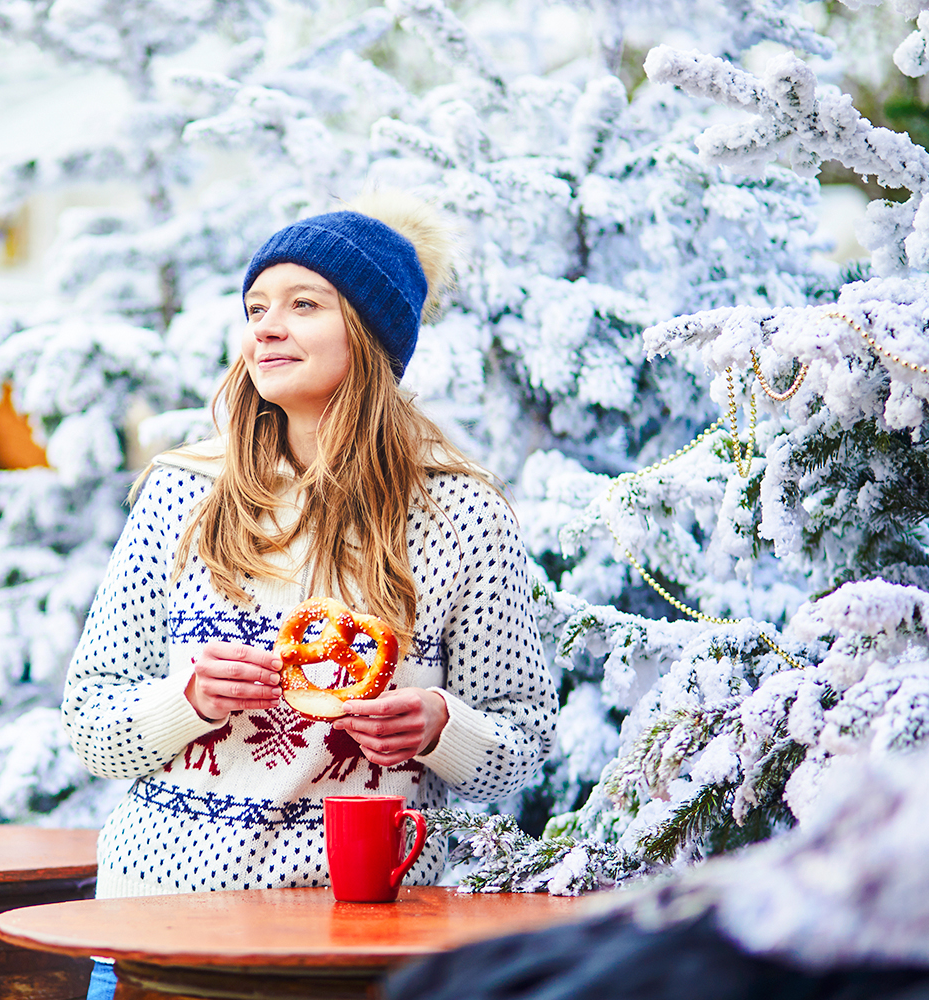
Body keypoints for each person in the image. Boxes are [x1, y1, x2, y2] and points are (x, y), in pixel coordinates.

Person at [62, 192, 558, 999]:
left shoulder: (460, 514)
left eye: (303, 304)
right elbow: (90, 726)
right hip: (162, 927)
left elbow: (522, 744)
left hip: (357, 941)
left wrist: (441, 727)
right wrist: (185, 702)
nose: (267, 326)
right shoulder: (182, 495)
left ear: (370, 334)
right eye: (256, 306)